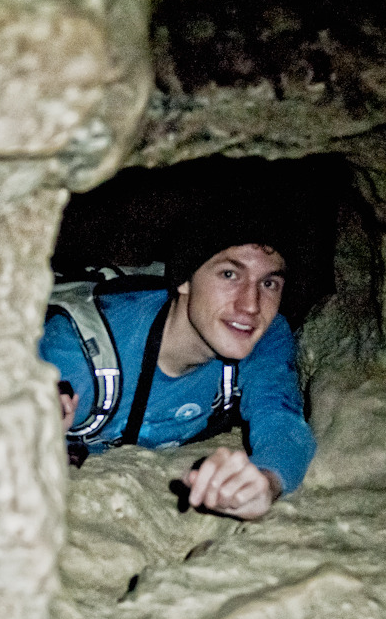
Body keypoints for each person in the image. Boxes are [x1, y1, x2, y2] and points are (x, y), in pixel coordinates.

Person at [40, 194, 317, 521]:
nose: (251, 305)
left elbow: (283, 422)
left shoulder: (265, 336)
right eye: (229, 274)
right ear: (184, 278)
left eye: (269, 282)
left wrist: (266, 482)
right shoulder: (79, 353)